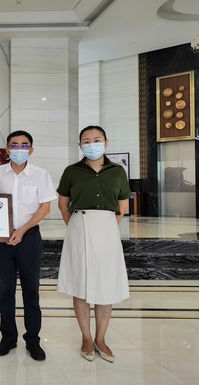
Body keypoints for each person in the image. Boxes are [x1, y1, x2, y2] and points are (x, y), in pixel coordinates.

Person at [57, 125, 131, 363]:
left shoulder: (117, 171)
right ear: (80, 145)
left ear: (106, 143)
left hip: (107, 229)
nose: (92, 144)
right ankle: (86, 338)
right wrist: (77, 226)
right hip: (79, 225)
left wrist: (106, 225)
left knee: (105, 284)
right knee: (80, 283)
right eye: (86, 141)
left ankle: (101, 338)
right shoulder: (71, 171)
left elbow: (122, 205)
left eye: (97, 140)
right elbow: (63, 204)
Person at [0, 130, 57, 361]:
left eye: (24, 145)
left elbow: (45, 208)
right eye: (14, 145)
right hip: (3, 240)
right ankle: (8, 338)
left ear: (31, 150)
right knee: (5, 292)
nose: (19, 149)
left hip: (29, 239)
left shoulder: (40, 174)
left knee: (31, 291)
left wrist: (22, 230)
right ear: (7, 149)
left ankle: (33, 340)